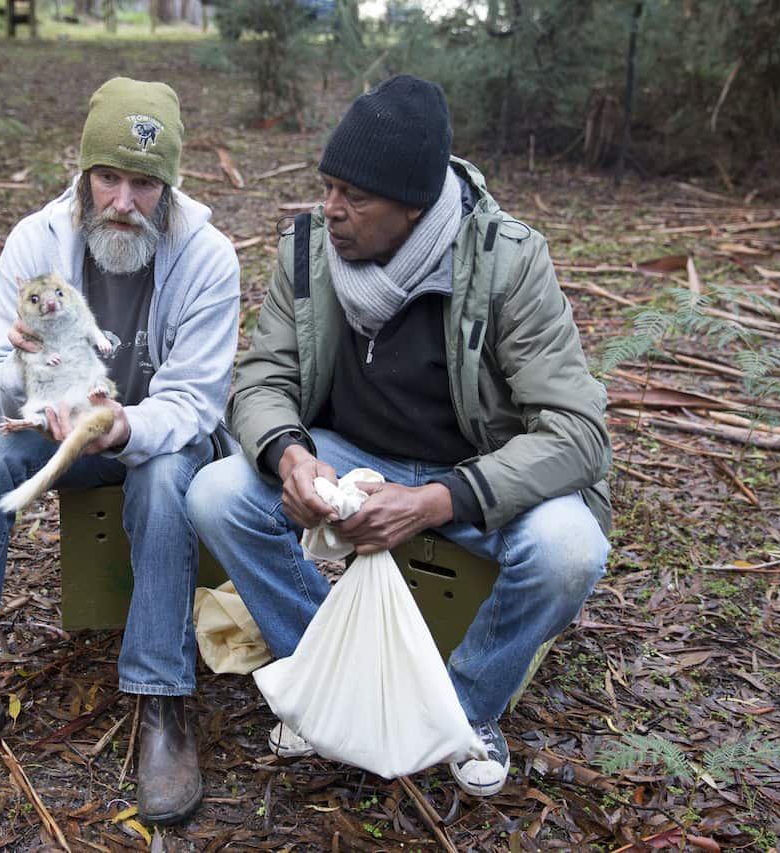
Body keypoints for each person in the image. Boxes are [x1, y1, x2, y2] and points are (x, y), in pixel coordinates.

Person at [186, 74, 611, 797]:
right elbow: (261, 380)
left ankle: (460, 708)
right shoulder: (308, 250)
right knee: (219, 491)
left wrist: (437, 500)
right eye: (327, 187)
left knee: (570, 550)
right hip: (351, 457)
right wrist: (290, 453)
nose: (332, 210)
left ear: (414, 204)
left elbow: (577, 433)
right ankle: (327, 678)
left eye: (355, 196)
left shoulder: (508, 263)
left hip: (474, 472)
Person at [0, 77, 240, 825]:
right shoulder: (34, 242)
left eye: (144, 183)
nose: (123, 200)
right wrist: (25, 376)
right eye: (108, 177)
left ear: (169, 186)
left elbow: (198, 403)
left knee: (164, 477)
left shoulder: (208, 258)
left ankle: (160, 704)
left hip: (160, 437)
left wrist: (123, 426)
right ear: (84, 174)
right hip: (62, 434)